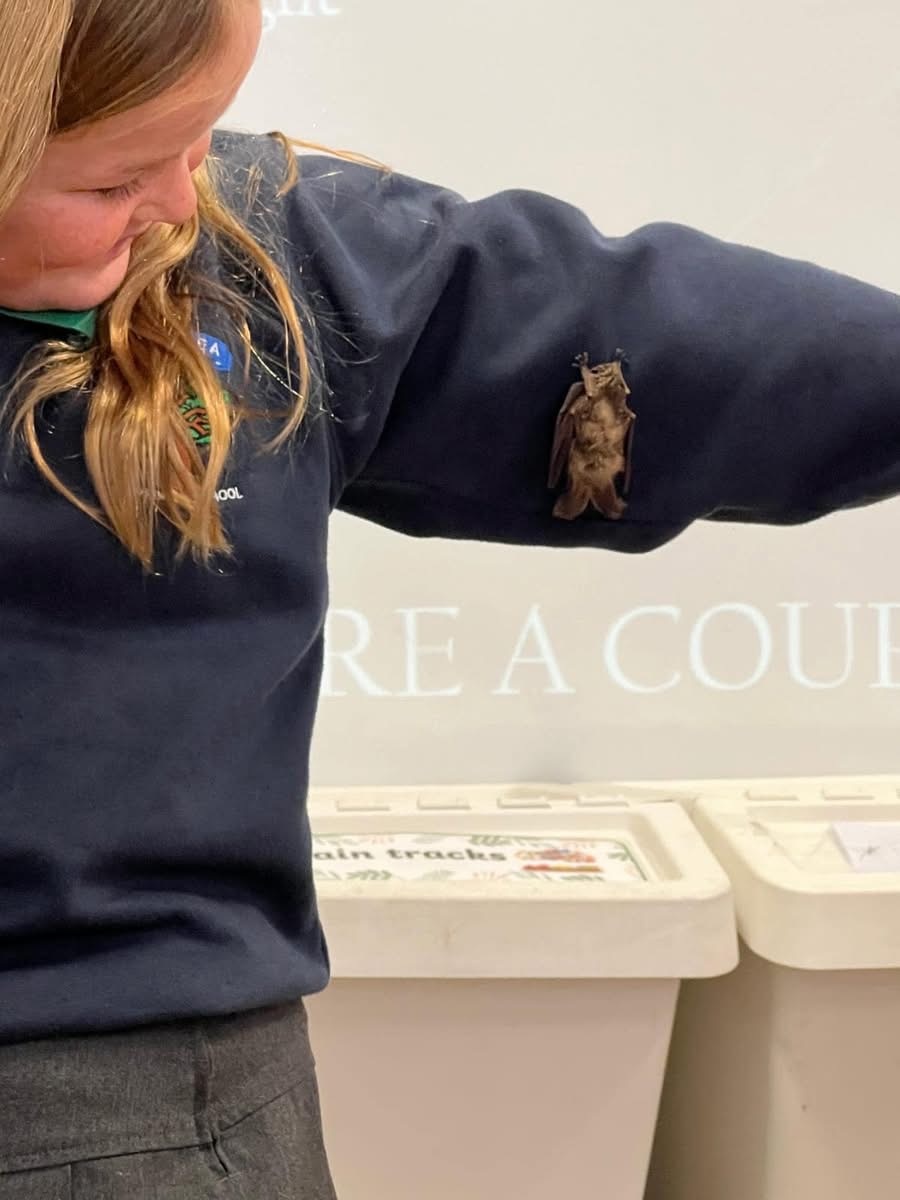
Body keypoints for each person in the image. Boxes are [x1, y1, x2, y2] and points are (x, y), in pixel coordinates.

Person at [2, 0, 900, 1196]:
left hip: (154, 1114)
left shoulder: (262, 258)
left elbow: (658, 338)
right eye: (116, 178)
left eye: (200, 137)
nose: (176, 200)